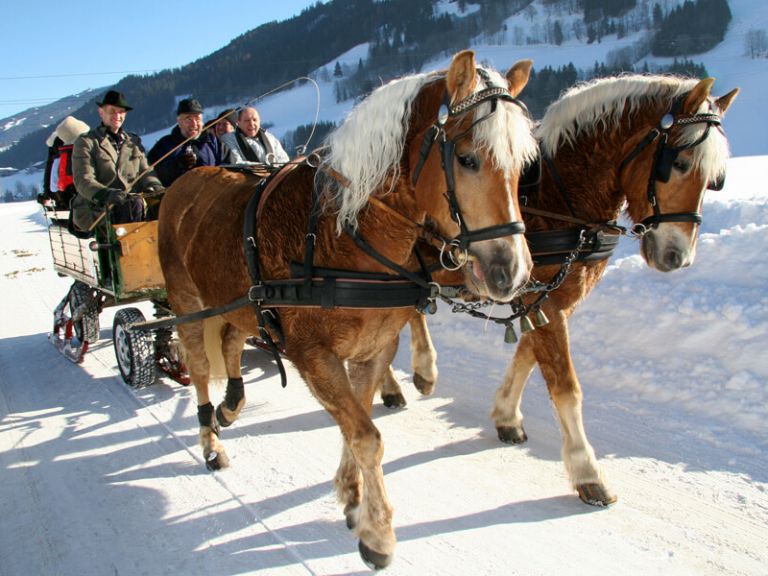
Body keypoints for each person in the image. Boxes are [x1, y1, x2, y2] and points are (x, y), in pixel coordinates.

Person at [71, 90, 163, 233]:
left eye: (121, 112)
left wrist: (154, 186)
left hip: (133, 207)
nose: (117, 116)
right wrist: (106, 194)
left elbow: (145, 172)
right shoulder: (86, 142)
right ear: (101, 112)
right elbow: (83, 180)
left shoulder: (133, 142)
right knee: (130, 206)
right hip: (99, 210)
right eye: (112, 111)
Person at [147, 98, 229, 187]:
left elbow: (228, 166)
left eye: (197, 119)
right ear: (179, 122)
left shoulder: (213, 142)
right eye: (188, 119)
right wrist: (177, 165)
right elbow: (152, 175)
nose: (194, 124)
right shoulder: (165, 145)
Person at [38, 116, 90, 211]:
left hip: (67, 200)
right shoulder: (75, 153)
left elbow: (50, 176)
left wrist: (47, 194)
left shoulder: (59, 155)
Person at [219, 106, 290, 165]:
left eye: (255, 120)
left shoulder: (270, 138)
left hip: (275, 175)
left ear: (259, 121)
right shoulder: (229, 139)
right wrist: (265, 168)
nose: (251, 123)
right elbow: (236, 162)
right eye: (247, 120)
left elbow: (284, 160)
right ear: (238, 123)